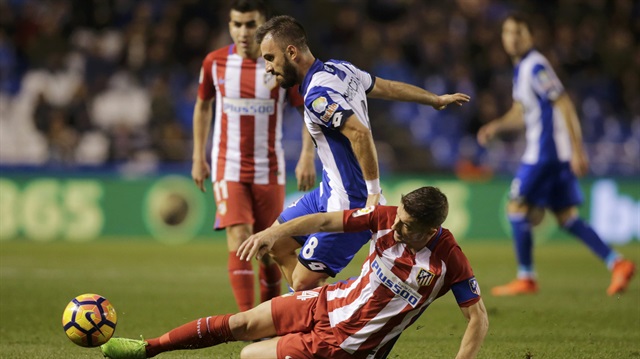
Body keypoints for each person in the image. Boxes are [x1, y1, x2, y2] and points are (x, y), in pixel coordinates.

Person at [101, 186, 489, 359]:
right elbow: (323, 220)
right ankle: (148, 348)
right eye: (399, 218)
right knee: (242, 323)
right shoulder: (386, 218)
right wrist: (273, 232)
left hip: (346, 346)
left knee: (250, 356)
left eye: (408, 226)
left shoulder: (448, 260)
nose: (397, 228)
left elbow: (477, 317)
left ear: (432, 229)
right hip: (328, 300)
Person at [253, 15, 471, 291]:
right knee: (278, 242)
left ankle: (352, 303)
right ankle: (312, 312)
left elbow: (359, 132)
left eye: (270, 58)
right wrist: (433, 99)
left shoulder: (318, 96)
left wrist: (372, 193)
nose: (269, 68)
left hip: (351, 201)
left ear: (292, 52)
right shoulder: (340, 69)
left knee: (302, 282)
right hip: (328, 191)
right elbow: (386, 87)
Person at [477, 13, 635, 296]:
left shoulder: (535, 65)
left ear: (530, 36)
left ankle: (526, 276)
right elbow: (521, 113)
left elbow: (564, 102)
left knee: (516, 208)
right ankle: (617, 263)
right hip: (551, 152)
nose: (512, 38)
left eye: (519, 32)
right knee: (566, 217)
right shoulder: (521, 68)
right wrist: (496, 126)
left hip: (545, 152)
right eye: (508, 32)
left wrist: (578, 150)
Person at [191, 1, 317, 312]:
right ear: (229, 25)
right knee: (239, 237)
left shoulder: (276, 65)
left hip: (269, 169)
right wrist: (198, 155)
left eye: (250, 25)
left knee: (269, 248)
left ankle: (267, 320)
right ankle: (246, 322)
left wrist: (307, 155)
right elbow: (203, 106)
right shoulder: (215, 63)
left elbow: (307, 110)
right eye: (237, 24)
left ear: (262, 26)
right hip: (227, 166)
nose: (243, 32)